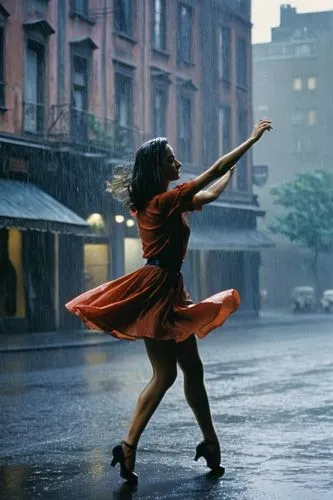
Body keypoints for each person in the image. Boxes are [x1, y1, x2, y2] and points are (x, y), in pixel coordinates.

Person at [65, 119, 272, 485]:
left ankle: (210, 443)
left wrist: (231, 173)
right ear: (158, 166)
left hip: (168, 286)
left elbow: (209, 193)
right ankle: (128, 445)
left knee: (191, 370)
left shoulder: (162, 202)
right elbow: (211, 174)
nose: (177, 165)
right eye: (172, 160)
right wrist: (250, 141)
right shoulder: (162, 202)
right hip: (157, 288)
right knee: (166, 374)